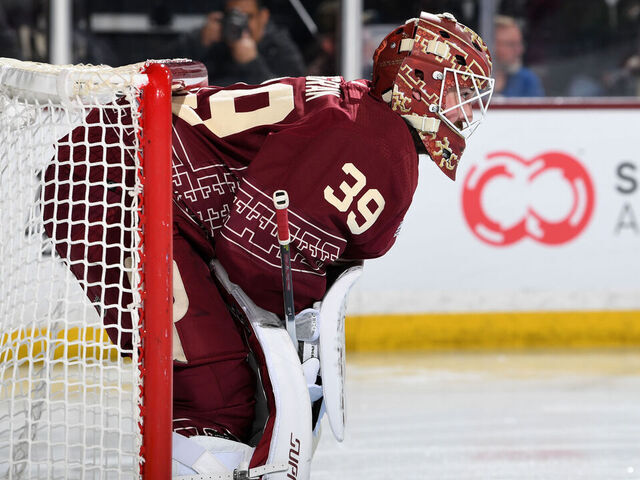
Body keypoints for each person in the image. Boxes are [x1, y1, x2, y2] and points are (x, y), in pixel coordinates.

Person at [43, 11, 493, 478]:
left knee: (219, 391)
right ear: (417, 82)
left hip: (121, 173)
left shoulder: (364, 111)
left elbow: (256, 248)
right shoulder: (378, 146)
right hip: (114, 187)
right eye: (459, 91)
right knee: (215, 398)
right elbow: (256, 253)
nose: (467, 110)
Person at [172, 0, 305, 86]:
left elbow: (293, 95)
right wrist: (199, 42)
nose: (239, 24)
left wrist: (252, 63)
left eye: (247, 17)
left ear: (263, 17)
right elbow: (163, 69)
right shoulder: (214, 40)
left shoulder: (280, 47)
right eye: (233, 16)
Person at [493, 15, 544, 97]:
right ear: (490, 45)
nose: (519, 50)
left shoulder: (527, 81)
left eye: (519, 44)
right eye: (511, 44)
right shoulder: (469, 80)